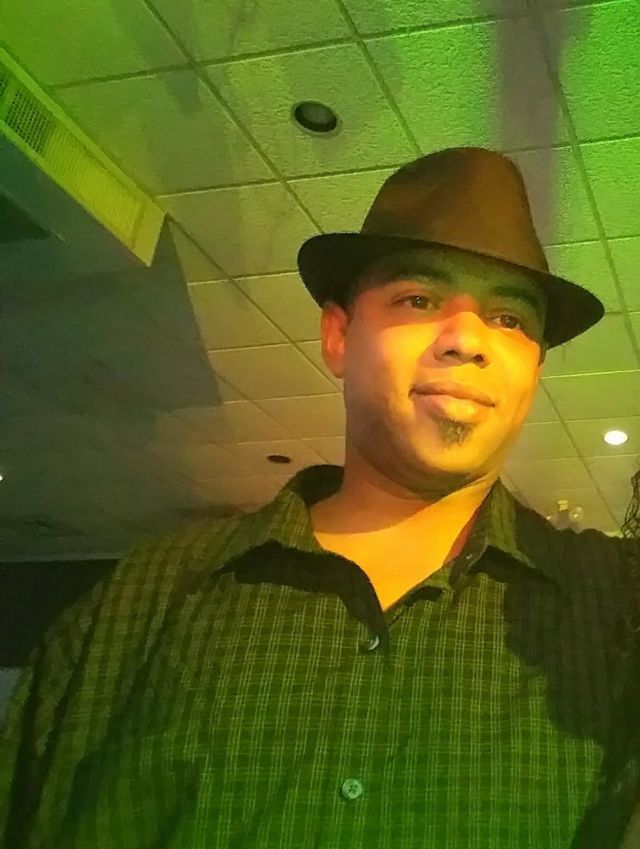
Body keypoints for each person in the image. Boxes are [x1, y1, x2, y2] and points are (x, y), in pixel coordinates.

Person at [1, 147, 639, 849]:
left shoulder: (617, 615)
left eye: (511, 319)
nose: (468, 340)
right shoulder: (144, 600)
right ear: (338, 336)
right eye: (419, 299)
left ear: (534, 367)